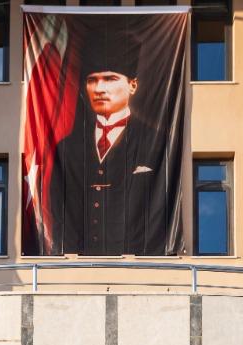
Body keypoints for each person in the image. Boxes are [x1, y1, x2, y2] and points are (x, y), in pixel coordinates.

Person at [44, 36, 177, 256]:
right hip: (76, 273)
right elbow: (58, 215)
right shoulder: (67, 148)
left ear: (132, 85)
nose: (99, 88)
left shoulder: (156, 142)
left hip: (137, 271)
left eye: (110, 78)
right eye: (92, 80)